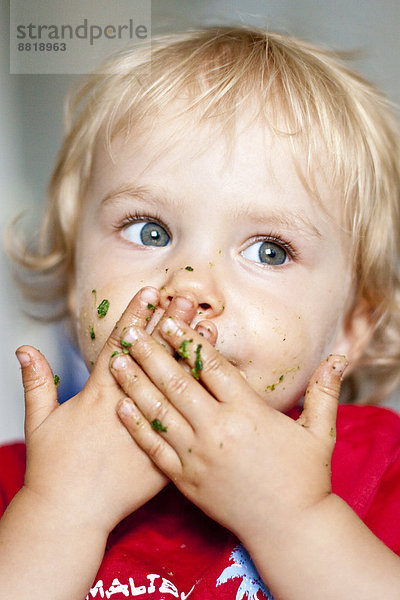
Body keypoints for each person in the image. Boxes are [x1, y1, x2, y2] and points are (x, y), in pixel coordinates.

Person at [1, 26, 400, 600]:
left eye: (270, 250)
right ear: (74, 278)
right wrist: (60, 508)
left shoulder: (384, 469)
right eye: (150, 231)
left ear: (353, 327)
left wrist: (294, 518)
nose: (189, 285)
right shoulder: (20, 483)